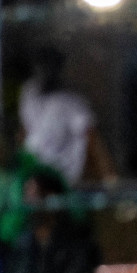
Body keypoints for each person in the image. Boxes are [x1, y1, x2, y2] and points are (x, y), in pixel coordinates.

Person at [19, 46, 117, 188]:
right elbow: (26, 132)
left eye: (49, 67)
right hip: (33, 178)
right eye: (40, 67)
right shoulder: (29, 95)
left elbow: (93, 140)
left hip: (61, 182)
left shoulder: (73, 104)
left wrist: (110, 177)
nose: (43, 72)